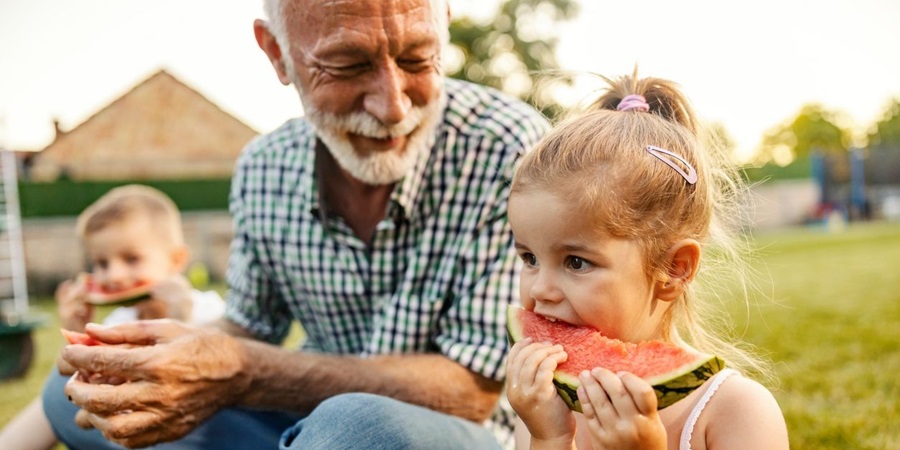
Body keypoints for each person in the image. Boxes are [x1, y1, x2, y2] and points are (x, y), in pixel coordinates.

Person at [46, 0, 550, 449]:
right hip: (305, 423)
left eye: (418, 58)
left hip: (458, 434)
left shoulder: (508, 148)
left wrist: (242, 370)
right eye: (347, 65)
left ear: (443, 23)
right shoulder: (264, 167)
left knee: (357, 426)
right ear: (276, 53)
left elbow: (474, 390)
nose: (393, 105)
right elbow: (248, 327)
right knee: (76, 392)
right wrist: (164, 357)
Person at [504, 71, 790, 450]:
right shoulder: (545, 406)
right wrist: (549, 438)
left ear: (674, 269)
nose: (540, 289)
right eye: (529, 258)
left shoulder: (738, 412)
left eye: (576, 262)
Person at [0, 184, 225, 450]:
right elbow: (71, 388)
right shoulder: (115, 324)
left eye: (131, 259)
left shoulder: (209, 309)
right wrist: (75, 336)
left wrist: (181, 318)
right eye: (101, 263)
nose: (113, 276)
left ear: (176, 260)